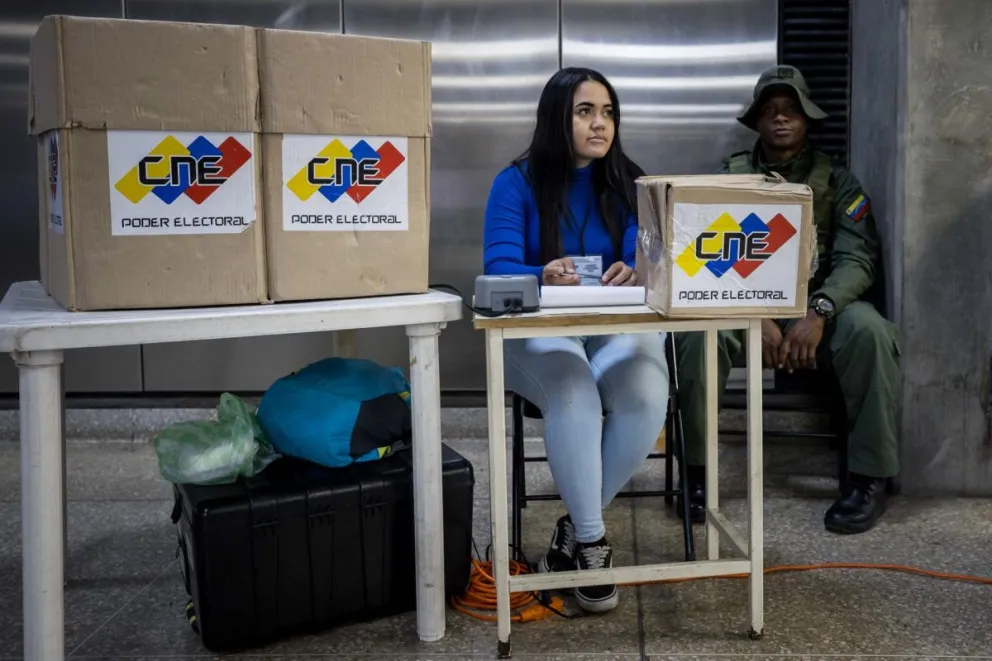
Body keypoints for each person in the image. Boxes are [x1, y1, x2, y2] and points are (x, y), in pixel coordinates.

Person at [675, 65, 901, 535]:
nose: (780, 120)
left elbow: (857, 259)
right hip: (742, 302)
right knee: (698, 336)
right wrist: (753, 314)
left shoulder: (838, 181)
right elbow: (704, 260)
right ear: (757, 120)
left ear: (807, 119)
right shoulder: (730, 177)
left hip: (817, 303)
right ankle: (695, 475)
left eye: (791, 111)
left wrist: (820, 311)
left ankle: (869, 479)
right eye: (770, 111)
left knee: (871, 333)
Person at [482, 67, 670, 613]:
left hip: (614, 327)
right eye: (585, 111)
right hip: (541, 332)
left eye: (608, 112)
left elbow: (649, 253)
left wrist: (638, 269)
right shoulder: (514, 182)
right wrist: (542, 273)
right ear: (555, 118)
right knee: (574, 393)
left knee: (644, 396)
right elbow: (498, 266)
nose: (600, 123)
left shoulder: (634, 182)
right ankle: (591, 542)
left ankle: (571, 534)